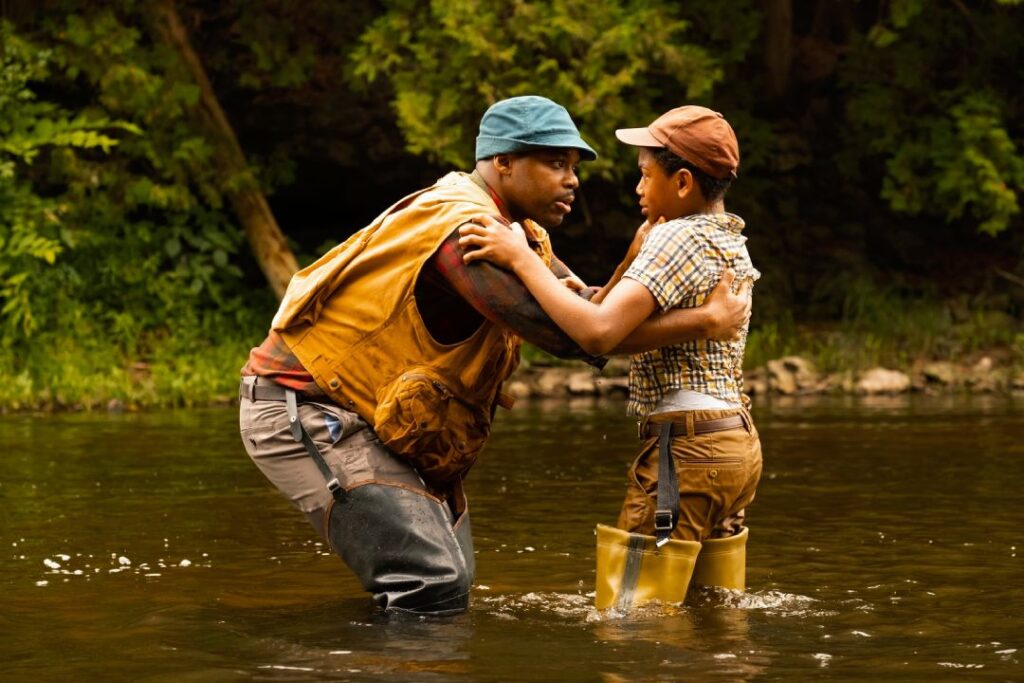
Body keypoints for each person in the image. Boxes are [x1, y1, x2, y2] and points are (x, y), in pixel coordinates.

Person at [238, 96, 751, 615]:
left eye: (574, 167)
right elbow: (577, 336)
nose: (572, 180)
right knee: (431, 580)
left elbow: (585, 309)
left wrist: (625, 263)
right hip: (305, 406)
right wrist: (703, 321)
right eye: (555, 164)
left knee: (447, 582)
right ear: (503, 163)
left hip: (372, 416)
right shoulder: (469, 232)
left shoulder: (518, 235)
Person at [459, 105, 762, 601]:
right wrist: (633, 262)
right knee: (714, 616)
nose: (638, 189)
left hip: (686, 450)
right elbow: (619, 319)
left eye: (644, 176)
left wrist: (518, 257)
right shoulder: (729, 236)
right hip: (736, 447)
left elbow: (598, 333)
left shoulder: (676, 237)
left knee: (631, 619)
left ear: (683, 182)